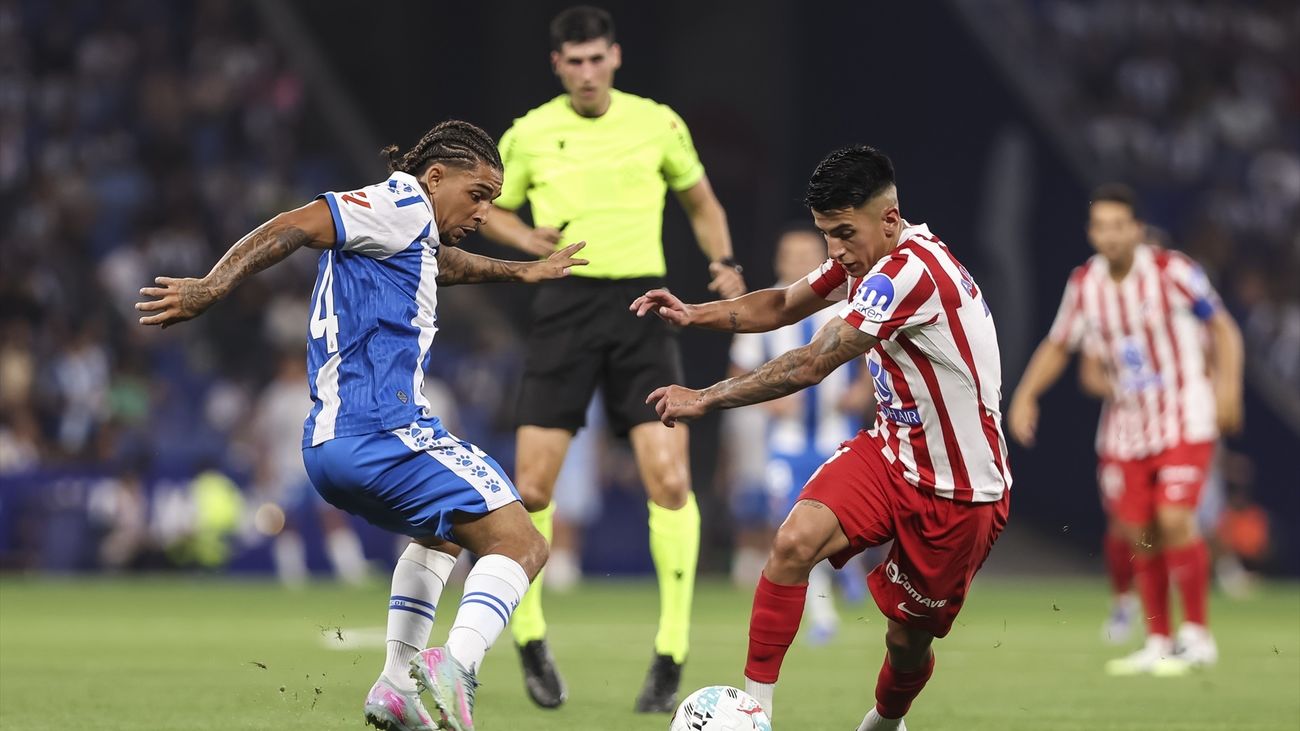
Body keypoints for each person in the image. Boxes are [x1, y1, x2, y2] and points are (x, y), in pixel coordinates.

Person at [136, 119, 588, 731]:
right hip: (382, 430)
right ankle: (456, 663)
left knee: (446, 532)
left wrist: (519, 271)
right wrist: (211, 288)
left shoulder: (407, 227)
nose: (485, 211)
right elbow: (296, 223)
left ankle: (396, 688)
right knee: (523, 542)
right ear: (434, 176)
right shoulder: (397, 200)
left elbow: (436, 263)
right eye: (478, 194)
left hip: (331, 447)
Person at [633, 145, 1012, 731]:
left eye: (842, 234)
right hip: (890, 454)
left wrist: (705, 396)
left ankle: (886, 722)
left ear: (888, 219)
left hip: (959, 490)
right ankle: (756, 713)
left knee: (907, 642)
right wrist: (695, 313)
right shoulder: (865, 258)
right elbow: (784, 302)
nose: (834, 252)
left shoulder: (909, 272)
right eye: (825, 234)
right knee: (792, 543)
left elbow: (812, 364)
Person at [479, 5, 746, 712]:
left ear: (616, 58)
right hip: (564, 308)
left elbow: (702, 201)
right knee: (531, 486)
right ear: (558, 65)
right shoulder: (532, 133)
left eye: (599, 59)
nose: (589, 72)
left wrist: (722, 260)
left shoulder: (656, 122)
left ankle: (671, 650)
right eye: (576, 62)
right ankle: (529, 636)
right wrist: (523, 236)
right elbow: (484, 208)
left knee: (669, 476)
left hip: (641, 310)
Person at [1008, 183, 1244, 676]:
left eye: (1120, 225)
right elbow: (1059, 344)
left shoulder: (1173, 272)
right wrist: (1026, 393)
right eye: (1101, 227)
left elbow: (1223, 327)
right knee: (1138, 533)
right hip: (1126, 427)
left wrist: (1228, 390)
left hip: (1185, 414)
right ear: (1092, 232)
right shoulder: (1085, 283)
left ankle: (1197, 636)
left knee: (1176, 518)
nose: (1110, 235)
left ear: (1137, 229)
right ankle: (1158, 640)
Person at [728, 225, 873, 644]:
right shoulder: (767, 308)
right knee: (792, 527)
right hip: (786, 443)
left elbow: (873, 355)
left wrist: (861, 391)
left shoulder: (848, 301)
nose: (797, 261)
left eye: (805, 253)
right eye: (789, 254)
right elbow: (740, 370)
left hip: (836, 437)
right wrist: (771, 402)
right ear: (779, 260)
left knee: (842, 522)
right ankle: (824, 613)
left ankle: (848, 576)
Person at [248, 351, 369, 587]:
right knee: (286, 521)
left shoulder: (317, 390)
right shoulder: (274, 396)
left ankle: (352, 572)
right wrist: (263, 468)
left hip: (317, 464)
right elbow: (262, 436)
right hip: (285, 467)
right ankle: (292, 576)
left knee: (332, 517)